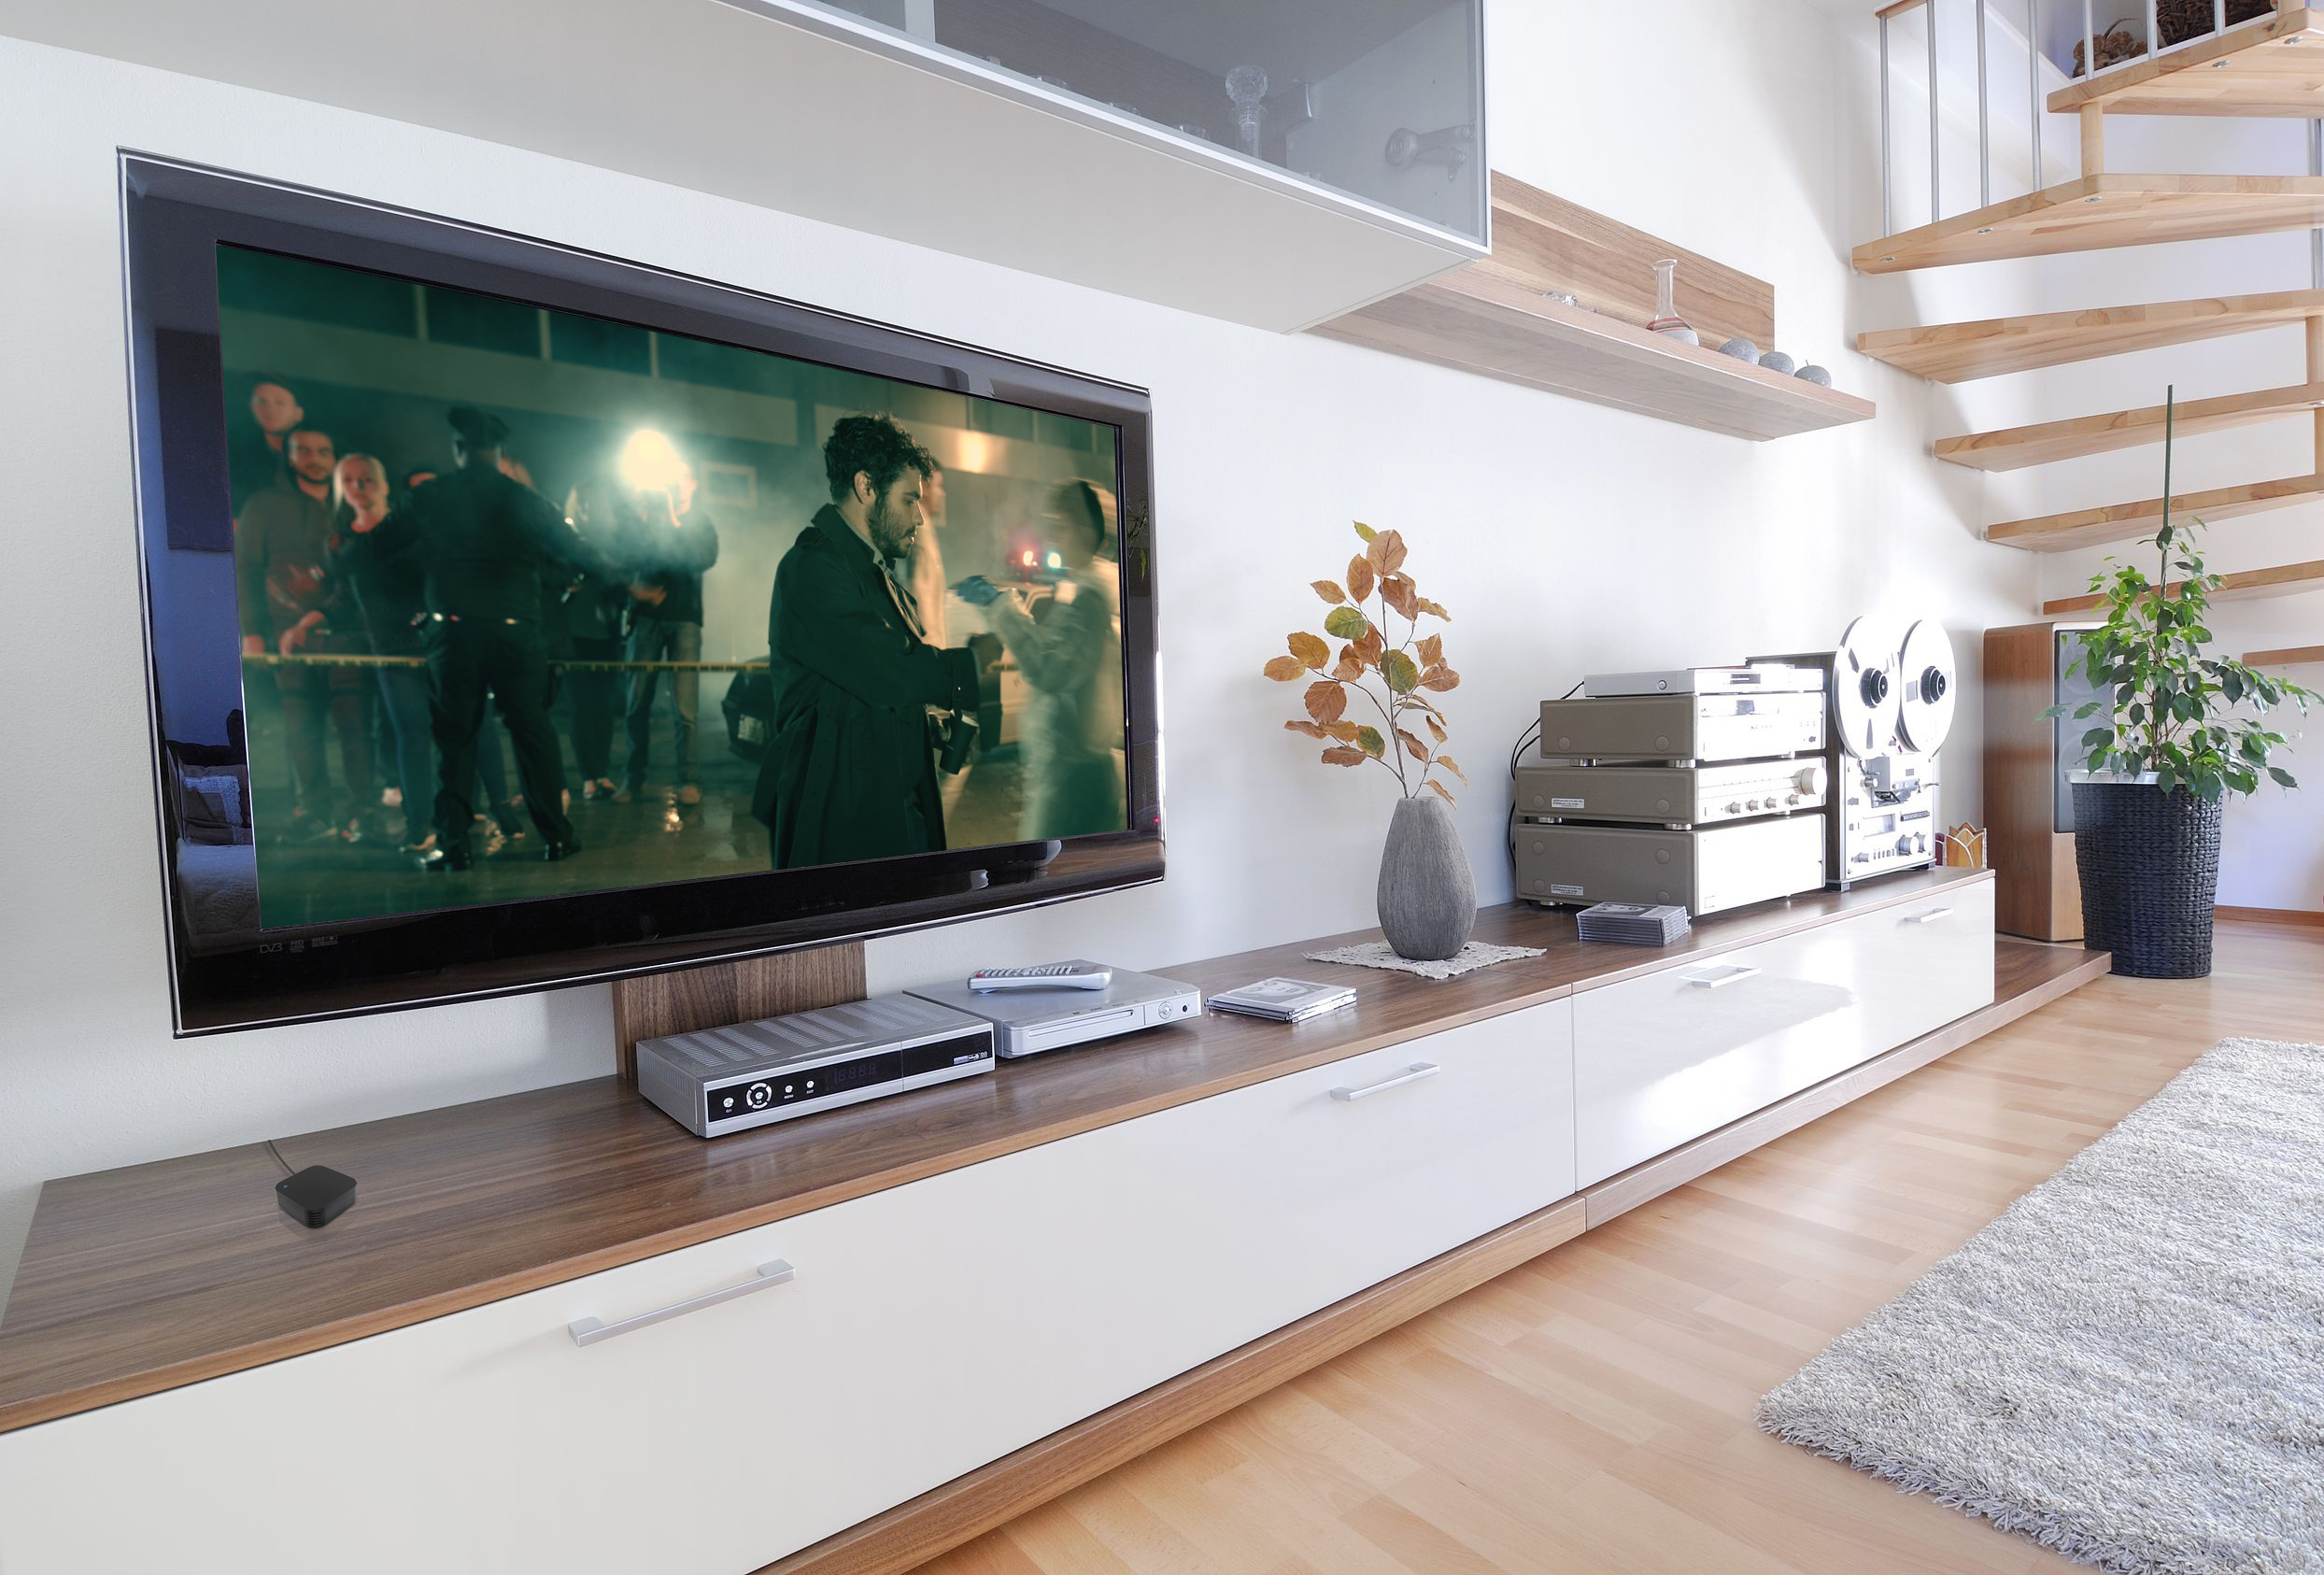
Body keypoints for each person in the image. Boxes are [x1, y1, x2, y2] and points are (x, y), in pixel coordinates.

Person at [340, 407, 608, 871]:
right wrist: (607, 577)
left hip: (454, 634)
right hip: (516, 634)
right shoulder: (526, 499)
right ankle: (557, 837)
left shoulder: (432, 496)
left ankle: (455, 845)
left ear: (459, 449)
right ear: (500, 452)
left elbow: (372, 548)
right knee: (532, 733)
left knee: (456, 740)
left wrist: (334, 561)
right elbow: (580, 552)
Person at [753, 415, 983, 869]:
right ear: (866, 487)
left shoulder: (871, 572)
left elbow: (858, 696)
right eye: (909, 499)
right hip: (841, 827)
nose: (919, 515)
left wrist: (923, 725)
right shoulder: (811, 569)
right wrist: (965, 669)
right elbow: (884, 667)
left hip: (891, 811)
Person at [957, 481, 1124, 839]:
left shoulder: (1091, 602)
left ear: (1084, 531)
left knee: (1049, 870)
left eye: (1060, 526)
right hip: (1073, 780)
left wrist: (1000, 606)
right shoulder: (1084, 592)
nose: (1053, 536)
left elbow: (1050, 668)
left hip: (1075, 788)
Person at [235, 424, 376, 841]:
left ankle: (362, 812)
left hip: (348, 634)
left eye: (323, 451)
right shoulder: (264, 504)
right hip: (287, 638)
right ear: (289, 455)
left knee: (357, 729)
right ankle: (314, 813)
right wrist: (251, 631)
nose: (314, 458)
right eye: (304, 450)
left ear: (335, 457)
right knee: (302, 731)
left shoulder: (351, 504)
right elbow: (246, 569)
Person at [611, 441, 719, 806]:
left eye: (683, 478)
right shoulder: (647, 519)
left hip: (684, 619)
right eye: (672, 478)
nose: (676, 484)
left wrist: (673, 520)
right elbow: (625, 556)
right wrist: (641, 517)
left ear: (693, 485)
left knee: (685, 707)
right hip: (646, 619)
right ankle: (632, 778)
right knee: (636, 702)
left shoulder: (698, 522)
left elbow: (701, 559)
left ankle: (690, 780)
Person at [557, 479, 628, 800]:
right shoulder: (564, 540)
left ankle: (602, 772)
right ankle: (589, 776)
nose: (586, 507)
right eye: (581, 501)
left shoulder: (611, 541)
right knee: (581, 707)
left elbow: (620, 585)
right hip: (573, 634)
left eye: (591, 501)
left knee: (603, 707)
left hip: (604, 635)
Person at [228, 376, 304, 513]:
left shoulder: (316, 455)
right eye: (262, 401)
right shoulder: (239, 458)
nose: (270, 409)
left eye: (279, 403)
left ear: (298, 413)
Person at [900, 454, 949, 653]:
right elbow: (922, 594)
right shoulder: (920, 531)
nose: (943, 494)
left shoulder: (921, 526)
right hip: (928, 652)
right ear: (925, 488)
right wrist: (933, 655)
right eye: (939, 486)